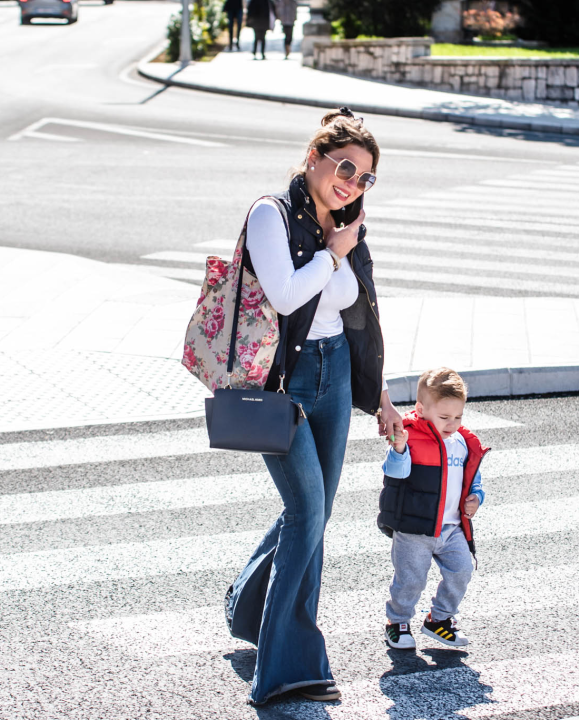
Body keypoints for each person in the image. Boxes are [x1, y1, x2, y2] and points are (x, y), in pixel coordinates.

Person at [226, 108, 403, 705]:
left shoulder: (349, 224)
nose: (352, 182)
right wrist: (331, 252)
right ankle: (285, 670)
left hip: (334, 376)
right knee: (306, 512)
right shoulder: (269, 214)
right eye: (345, 167)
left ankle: (248, 605)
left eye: (365, 176)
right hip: (282, 383)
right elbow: (283, 293)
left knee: (316, 514)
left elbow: (358, 317)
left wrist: (378, 394)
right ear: (313, 158)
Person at [377, 367, 490, 650]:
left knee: (462, 570)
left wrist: (477, 497)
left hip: (451, 528)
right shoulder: (409, 436)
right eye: (444, 417)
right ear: (421, 408)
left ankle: (439, 620)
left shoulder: (462, 442)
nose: (452, 423)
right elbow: (394, 474)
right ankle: (398, 621)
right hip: (415, 528)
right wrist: (399, 449)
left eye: (458, 417)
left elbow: (471, 480)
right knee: (411, 580)